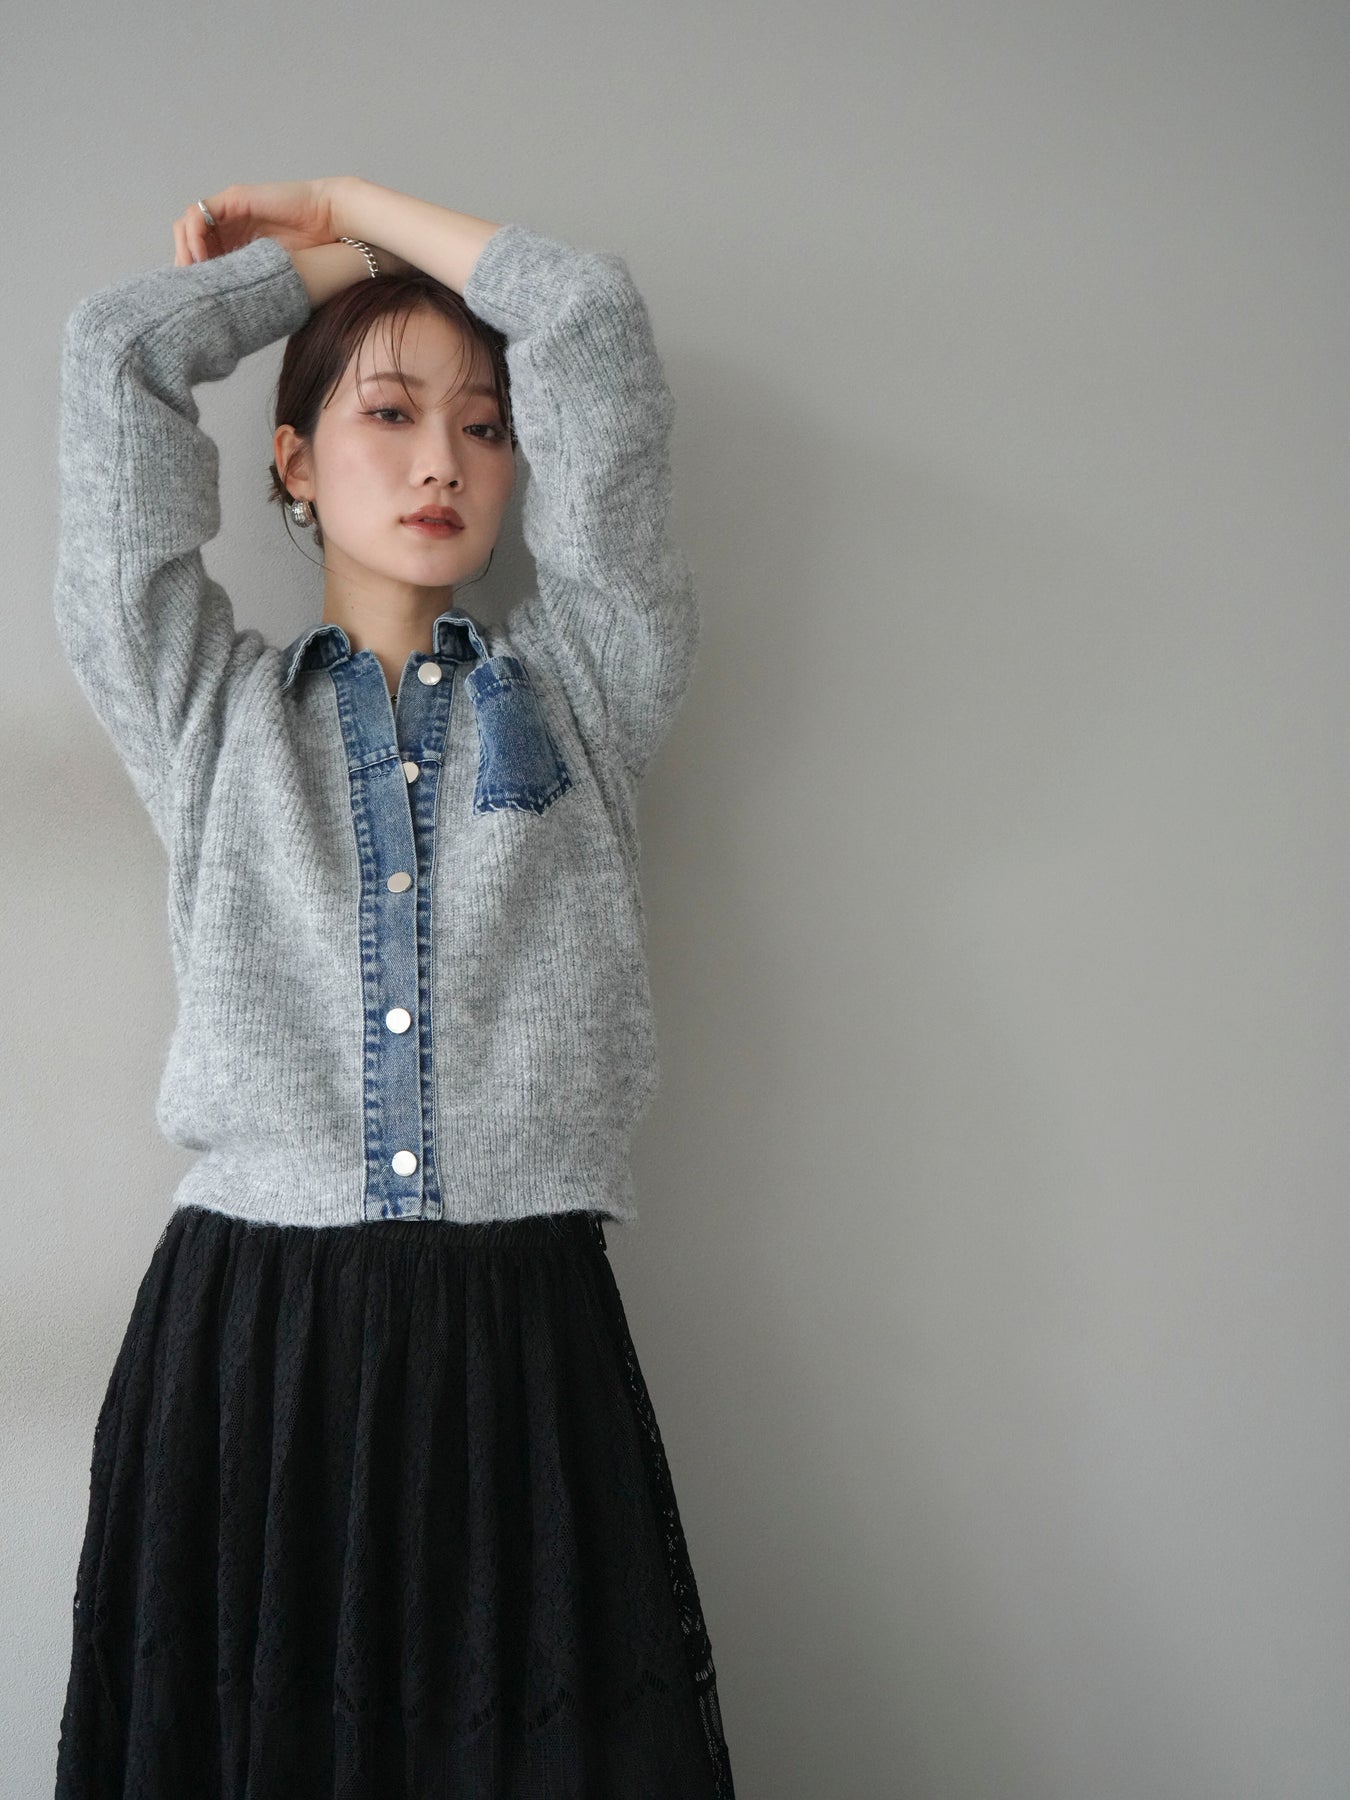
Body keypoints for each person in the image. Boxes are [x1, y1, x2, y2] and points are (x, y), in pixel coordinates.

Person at [51, 175, 735, 1799]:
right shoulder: (205, 716)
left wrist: (359, 196)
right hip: (252, 1348)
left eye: (484, 427)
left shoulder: (587, 689)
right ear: (291, 463)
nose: (443, 461)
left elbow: (588, 317)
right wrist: (330, 265)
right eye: (389, 412)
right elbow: (116, 355)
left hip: (519, 1340)